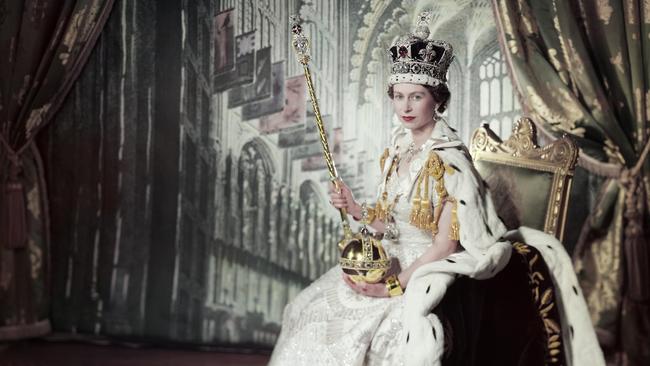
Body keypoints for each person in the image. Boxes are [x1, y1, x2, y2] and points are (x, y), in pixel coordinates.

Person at [269, 13, 603, 366]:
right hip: (387, 258)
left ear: (437, 100)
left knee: (381, 337)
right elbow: (389, 222)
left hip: (427, 270)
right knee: (307, 310)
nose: (405, 107)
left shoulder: (450, 162)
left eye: (416, 97)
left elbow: (445, 246)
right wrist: (356, 209)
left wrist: (392, 286)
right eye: (399, 97)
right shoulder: (397, 149)